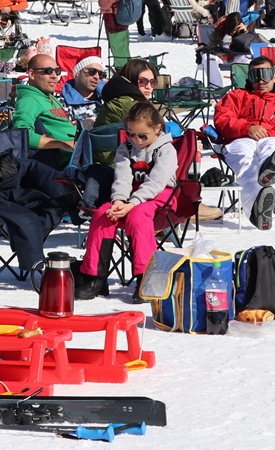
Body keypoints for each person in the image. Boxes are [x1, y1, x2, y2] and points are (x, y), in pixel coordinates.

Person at [75, 101, 177, 304]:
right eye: (131, 134)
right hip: (130, 196)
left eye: (142, 135)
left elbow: (157, 182)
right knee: (102, 214)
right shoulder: (125, 148)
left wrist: (132, 204)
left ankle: (144, 278)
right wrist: (118, 201)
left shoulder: (166, 150)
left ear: (157, 128)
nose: (137, 140)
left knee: (138, 216)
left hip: (160, 198)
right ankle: (95, 276)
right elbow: (121, 178)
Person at [212, 56, 275, 230]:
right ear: (249, 78)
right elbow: (222, 119)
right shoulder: (236, 96)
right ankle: (260, 200)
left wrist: (268, 132)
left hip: (272, 139)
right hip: (240, 139)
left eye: (265, 74)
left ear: (274, 76)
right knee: (246, 162)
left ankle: (270, 167)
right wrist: (247, 128)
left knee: (274, 144)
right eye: (255, 75)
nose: (260, 80)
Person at [11, 53, 77, 168]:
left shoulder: (48, 97)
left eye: (57, 71)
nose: (54, 76)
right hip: (66, 163)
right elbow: (21, 134)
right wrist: (60, 144)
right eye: (48, 71)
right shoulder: (30, 99)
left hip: (78, 152)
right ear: (32, 74)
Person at [60, 56, 105, 121]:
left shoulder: (108, 99)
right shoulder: (62, 104)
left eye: (101, 74)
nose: (97, 77)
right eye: (92, 71)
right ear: (78, 73)